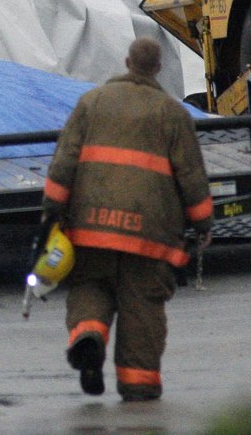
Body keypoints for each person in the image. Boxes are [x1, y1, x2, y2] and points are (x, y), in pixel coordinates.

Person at [40, 36, 214, 402]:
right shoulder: (173, 114)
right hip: (149, 235)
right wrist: (203, 224)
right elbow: (191, 176)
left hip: (90, 229)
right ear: (158, 68)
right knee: (142, 307)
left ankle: (89, 336)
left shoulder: (91, 103)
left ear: (126, 62)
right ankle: (138, 385)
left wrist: (51, 210)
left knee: (90, 288)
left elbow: (64, 160)